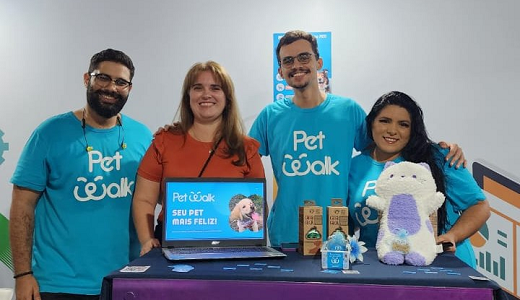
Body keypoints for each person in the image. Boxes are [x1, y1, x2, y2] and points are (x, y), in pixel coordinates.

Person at [249, 30, 465, 248]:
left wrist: (437, 149)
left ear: (319, 61)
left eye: (304, 57)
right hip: (285, 235)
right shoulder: (270, 116)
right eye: (288, 61)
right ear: (280, 70)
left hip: (337, 237)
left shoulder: (348, 110)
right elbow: (242, 163)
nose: (296, 65)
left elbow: (386, 148)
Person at [8, 48, 152, 300]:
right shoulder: (49, 133)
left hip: (121, 285)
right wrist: (22, 274)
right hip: (55, 289)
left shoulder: (142, 137)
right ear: (87, 78)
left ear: (129, 89)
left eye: (120, 82)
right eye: (103, 78)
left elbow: (153, 201)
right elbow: (22, 206)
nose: (111, 87)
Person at [132, 61, 265, 256]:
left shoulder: (247, 148)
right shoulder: (164, 141)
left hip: (233, 248)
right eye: (197, 88)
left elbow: (258, 206)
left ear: (227, 98)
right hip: (169, 248)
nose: (206, 94)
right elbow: (144, 199)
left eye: (215, 88)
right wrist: (146, 239)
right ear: (188, 97)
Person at [348, 91, 490, 267]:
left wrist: (452, 236)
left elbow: (479, 206)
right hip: (382, 268)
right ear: (371, 124)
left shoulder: (438, 158)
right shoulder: (353, 167)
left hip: (443, 264)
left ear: (412, 130)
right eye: (384, 121)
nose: (392, 130)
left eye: (403, 124)